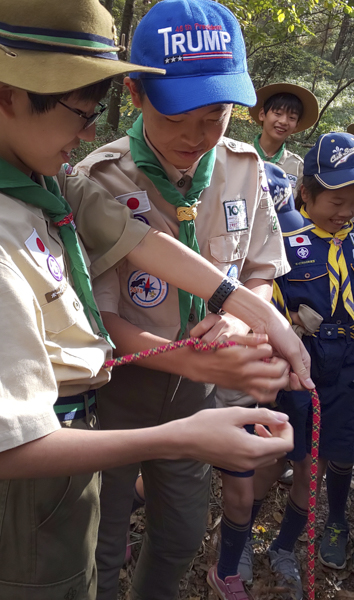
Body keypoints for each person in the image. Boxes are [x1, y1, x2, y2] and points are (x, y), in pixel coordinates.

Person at [0, 0, 308, 597]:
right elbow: (2, 449)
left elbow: (135, 237)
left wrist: (254, 309)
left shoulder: (40, 177)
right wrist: (182, 436)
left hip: (74, 458)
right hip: (30, 499)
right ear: (7, 94)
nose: (91, 132)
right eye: (80, 113)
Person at [75, 2, 302, 599]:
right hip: (119, 397)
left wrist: (233, 313)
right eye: (178, 113)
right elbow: (98, 318)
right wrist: (195, 358)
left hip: (199, 404)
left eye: (217, 115)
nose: (196, 136)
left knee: (177, 536)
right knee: (100, 539)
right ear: (136, 93)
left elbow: (259, 269)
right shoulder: (101, 180)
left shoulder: (243, 169)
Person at [241, 132, 354, 600]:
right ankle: (242, 536)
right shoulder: (285, 241)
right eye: (337, 198)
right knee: (271, 460)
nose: (346, 209)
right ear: (306, 193)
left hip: (345, 376)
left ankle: (286, 546)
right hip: (295, 373)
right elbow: (257, 302)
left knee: (314, 470)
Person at [249, 83, 319, 197]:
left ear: (297, 125)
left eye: (292, 118)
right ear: (262, 114)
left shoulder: (298, 167)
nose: (283, 121)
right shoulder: (239, 155)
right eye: (278, 113)